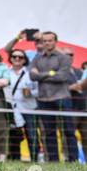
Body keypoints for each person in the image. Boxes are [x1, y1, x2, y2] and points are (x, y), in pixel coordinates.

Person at [28, 31, 80, 162]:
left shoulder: (64, 57)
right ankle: (53, 160)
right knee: (48, 132)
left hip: (62, 98)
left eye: (49, 40)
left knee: (68, 131)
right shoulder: (37, 58)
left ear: (55, 41)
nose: (46, 43)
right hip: (44, 99)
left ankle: (72, 160)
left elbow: (62, 76)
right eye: (44, 41)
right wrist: (51, 73)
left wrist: (41, 74)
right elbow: (32, 76)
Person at [5, 49, 39, 161]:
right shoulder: (5, 72)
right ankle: (15, 159)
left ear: (24, 60)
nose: (17, 59)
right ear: (11, 59)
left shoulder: (30, 74)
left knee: (32, 134)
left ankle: (34, 159)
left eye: (20, 57)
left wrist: (31, 93)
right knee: (14, 134)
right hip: (12, 109)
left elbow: (39, 90)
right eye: (14, 56)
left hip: (29, 108)